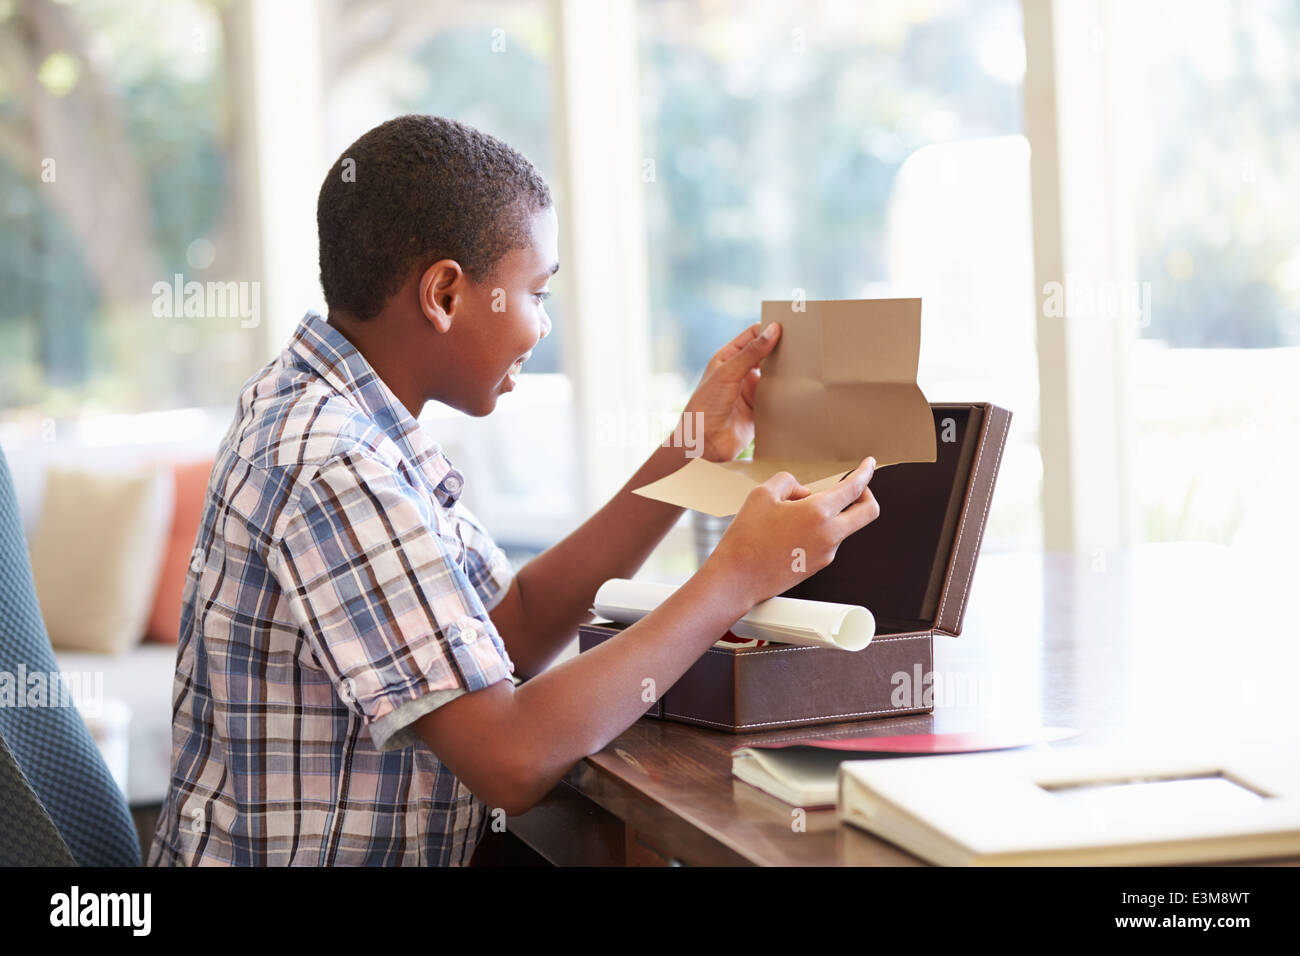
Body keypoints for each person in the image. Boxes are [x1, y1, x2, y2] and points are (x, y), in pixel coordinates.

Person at [148, 114, 879, 866]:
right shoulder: (334, 463)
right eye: (536, 292)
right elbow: (510, 759)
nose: (541, 327)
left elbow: (514, 624)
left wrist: (688, 452)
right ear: (444, 294)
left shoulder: (344, 411)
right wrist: (736, 578)